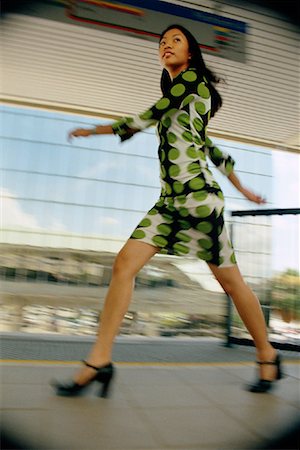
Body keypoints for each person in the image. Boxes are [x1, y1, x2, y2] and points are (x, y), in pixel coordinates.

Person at [52, 24, 282, 397]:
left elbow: (148, 116)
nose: (165, 45)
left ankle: (267, 354)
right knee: (125, 264)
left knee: (230, 282)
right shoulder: (184, 101)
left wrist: (95, 130)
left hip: (198, 200)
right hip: (170, 202)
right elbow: (215, 151)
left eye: (175, 40)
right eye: (162, 42)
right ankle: (99, 360)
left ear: (191, 53)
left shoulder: (192, 83)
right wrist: (246, 190)